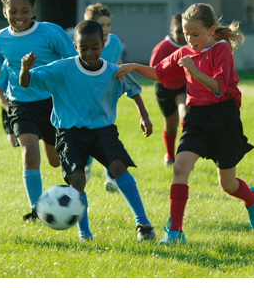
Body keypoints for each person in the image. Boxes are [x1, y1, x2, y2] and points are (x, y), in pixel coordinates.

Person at [114, 3, 254, 244]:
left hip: (223, 118)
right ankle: (175, 231)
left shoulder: (221, 50)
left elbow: (219, 88)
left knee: (227, 184)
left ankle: (251, 199)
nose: (190, 39)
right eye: (186, 34)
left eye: (196, 34)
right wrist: (134, 67)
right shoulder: (184, 52)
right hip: (195, 119)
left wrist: (194, 71)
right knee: (180, 167)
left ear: (211, 30)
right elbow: (160, 73)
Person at [20, 20, 156, 242]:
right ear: (75, 46)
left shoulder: (113, 71)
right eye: (83, 48)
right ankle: (85, 234)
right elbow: (26, 82)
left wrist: (144, 115)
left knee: (118, 166)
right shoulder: (61, 68)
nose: (89, 52)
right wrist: (25, 69)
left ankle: (143, 224)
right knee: (77, 178)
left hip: (102, 130)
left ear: (103, 44)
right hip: (69, 132)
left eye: (95, 47)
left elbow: (133, 90)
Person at [0, 0, 77, 221]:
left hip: (52, 101)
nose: (19, 15)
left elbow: (71, 60)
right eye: (13, 11)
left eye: (24, 10)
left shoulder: (50, 32)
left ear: (33, 11)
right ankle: (37, 210)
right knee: (30, 155)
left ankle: (81, 164)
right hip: (20, 103)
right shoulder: (0, 38)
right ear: (4, 11)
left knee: (54, 161)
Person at [83, 2, 123, 192]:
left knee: (106, 134)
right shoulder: (83, 43)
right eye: (102, 25)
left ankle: (110, 176)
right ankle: (86, 164)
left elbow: (116, 63)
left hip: (106, 97)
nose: (106, 29)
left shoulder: (114, 42)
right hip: (84, 97)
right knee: (88, 134)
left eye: (108, 24)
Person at [149, 14, 189, 166]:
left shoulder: (192, 45)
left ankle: (184, 157)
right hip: (164, 87)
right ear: (171, 30)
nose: (182, 36)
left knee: (185, 116)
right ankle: (170, 157)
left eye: (185, 32)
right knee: (170, 126)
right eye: (178, 32)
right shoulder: (162, 48)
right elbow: (153, 70)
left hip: (184, 86)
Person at [0, 60, 18, 147]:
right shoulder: (6, 64)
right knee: (13, 143)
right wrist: (4, 103)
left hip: (29, 101)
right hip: (10, 101)